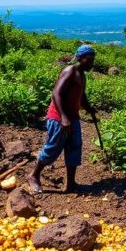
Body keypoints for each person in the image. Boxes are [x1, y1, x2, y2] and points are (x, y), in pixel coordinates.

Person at [28, 45, 97, 194]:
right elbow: (56, 94)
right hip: (59, 117)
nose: (92, 63)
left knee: (74, 147)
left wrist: (89, 108)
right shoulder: (70, 71)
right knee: (53, 148)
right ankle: (34, 175)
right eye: (89, 59)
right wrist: (64, 117)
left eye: (93, 59)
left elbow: (81, 95)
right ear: (80, 58)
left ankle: (71, 184)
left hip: (73, 117)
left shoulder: (82, 74)